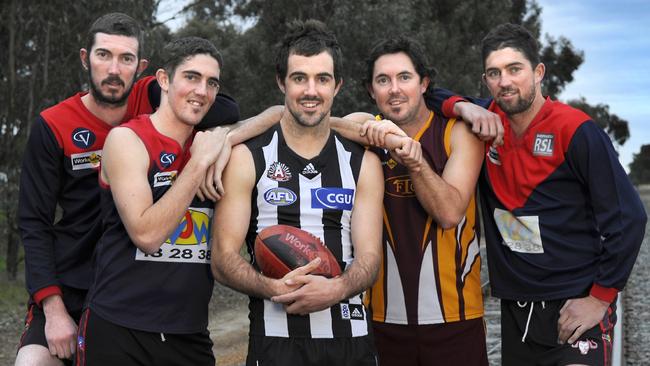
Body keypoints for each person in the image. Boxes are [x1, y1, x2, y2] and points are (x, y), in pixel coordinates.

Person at [15, 12, 273, 366]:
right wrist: (52, 305)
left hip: (136, 285)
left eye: (126, 59)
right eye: (103, 55)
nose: (114, 69)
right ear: (84, 58)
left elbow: (227, 108)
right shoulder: (54, 124)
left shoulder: (152, 99)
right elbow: (34, 223)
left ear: (144, 69)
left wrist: (220, 137)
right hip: (73, 282)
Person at [434, 23, 647, 365]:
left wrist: (599, 299)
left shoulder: (576, 131)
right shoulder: (486, 123)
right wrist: (463, 107)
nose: (504, 81)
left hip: (575, 309)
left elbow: (629, 218)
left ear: (538, 72)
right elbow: (429, 93)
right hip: (516, 312)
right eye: (494, 72)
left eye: (514, 69)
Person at [211, 19, 384, 366]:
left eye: (322, 79)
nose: (311, 90)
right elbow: (222, 259)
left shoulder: (362, 163)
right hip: (276, 345)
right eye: (299, 78)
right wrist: (273, 288)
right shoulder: (248, 158)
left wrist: (336, 288)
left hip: (350, 342)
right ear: (281, 82)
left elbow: (370, 259)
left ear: (337, 87)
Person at [330, 36, 488, 365]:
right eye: (383, 81)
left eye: (405, 77)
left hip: (455, 319)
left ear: (424, 83)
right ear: (372, 91)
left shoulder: (457, 132)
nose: (395, 89)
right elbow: (318, 124)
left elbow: (449, 213)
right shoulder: (364, 134)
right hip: (380, 321)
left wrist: (415, 162)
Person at [75, 36, 229, 365]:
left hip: (188, 332)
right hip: (119, 328)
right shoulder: (127, 139)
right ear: (163, 79)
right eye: (191, 77)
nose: (202, 91)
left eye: (211, 82)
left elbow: (277, 115)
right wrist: (198, 163)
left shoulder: (212, 142)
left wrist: (225, 138)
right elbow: (146, 235)